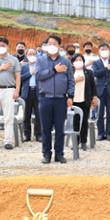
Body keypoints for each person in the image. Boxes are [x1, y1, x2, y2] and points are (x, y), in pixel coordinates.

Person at [36, 35, 75, 164]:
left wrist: (70, 96)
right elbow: (39, 76)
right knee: (45, 129)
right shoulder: (40, 60)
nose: (51, 45)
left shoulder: (66, 61)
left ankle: (59, 154)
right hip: (45, 99)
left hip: (60, 100)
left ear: (59, 46)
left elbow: (71, 80)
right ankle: (46, 154)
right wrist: (54, 70)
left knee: (60, 129)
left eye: (54, 43)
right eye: (49, 43)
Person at [92, 43, 110, 141]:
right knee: (100, 113)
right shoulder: (96, 63)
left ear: (109, 51)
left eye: (106, 49)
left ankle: (108, 133)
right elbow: (95, 73)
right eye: (102, 49)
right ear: (99, 51)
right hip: (100, 91)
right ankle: (100, 133)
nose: (104, 51)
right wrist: (106, 69)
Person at [71, 54, 97, 151]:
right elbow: (66, 84)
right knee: (75, 122)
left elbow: (93, 86)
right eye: (76, 60)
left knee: (84, 122)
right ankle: (75, 142)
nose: (79, 61)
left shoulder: (89, 72)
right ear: (73, 62)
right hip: (73, 100)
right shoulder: (70, 72)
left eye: (80, 59)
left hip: (85, 100)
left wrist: (94, 97)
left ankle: (83, 142)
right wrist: (75, 80)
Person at [20, 49, 41, 142]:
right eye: (30, 54)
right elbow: (20, 78)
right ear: (26, 55)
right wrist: (30, 73)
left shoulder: (40, 66)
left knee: (39, 115)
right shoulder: (23, 67)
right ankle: (27, 135)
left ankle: (39, 135)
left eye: (33, 54)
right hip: (27, 92)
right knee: (26, 114)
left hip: (38, 92)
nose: (31, 55)